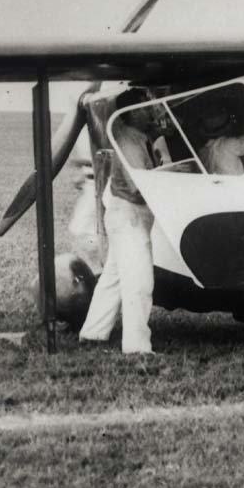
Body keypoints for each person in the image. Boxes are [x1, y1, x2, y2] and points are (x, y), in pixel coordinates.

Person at [79, 88, 160, 354]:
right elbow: (139, 185)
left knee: (113, 277)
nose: (149, 110)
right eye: (144, 107)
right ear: (131, 113)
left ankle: (93, 332)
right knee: (139, 280)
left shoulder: (138, 137)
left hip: (126, 212)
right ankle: (137, 347)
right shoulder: (128, 141)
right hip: (130, 214)